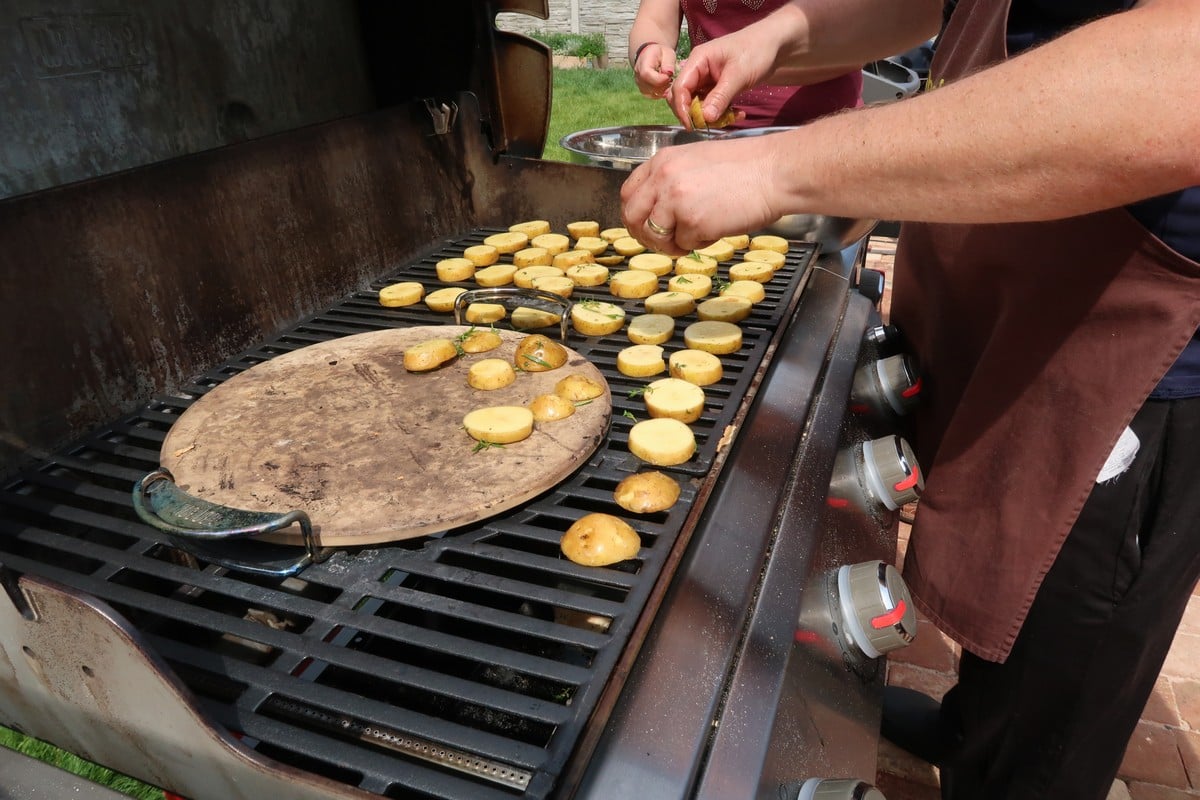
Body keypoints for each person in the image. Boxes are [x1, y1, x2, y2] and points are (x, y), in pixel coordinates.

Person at [620, 0, 1200, 797]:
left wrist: (777, 164)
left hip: (1122, 346)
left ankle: (1008, 762)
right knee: (1008, 607)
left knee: (1059, 683)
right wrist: (785, 38)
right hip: (1008, 298)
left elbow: (1183, 73)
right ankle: (976, 727)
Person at [628, 0, 863, 128]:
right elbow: (654, 20)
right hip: (715, 141)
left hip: (826, 134)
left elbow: (860, 30)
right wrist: (648, 49)